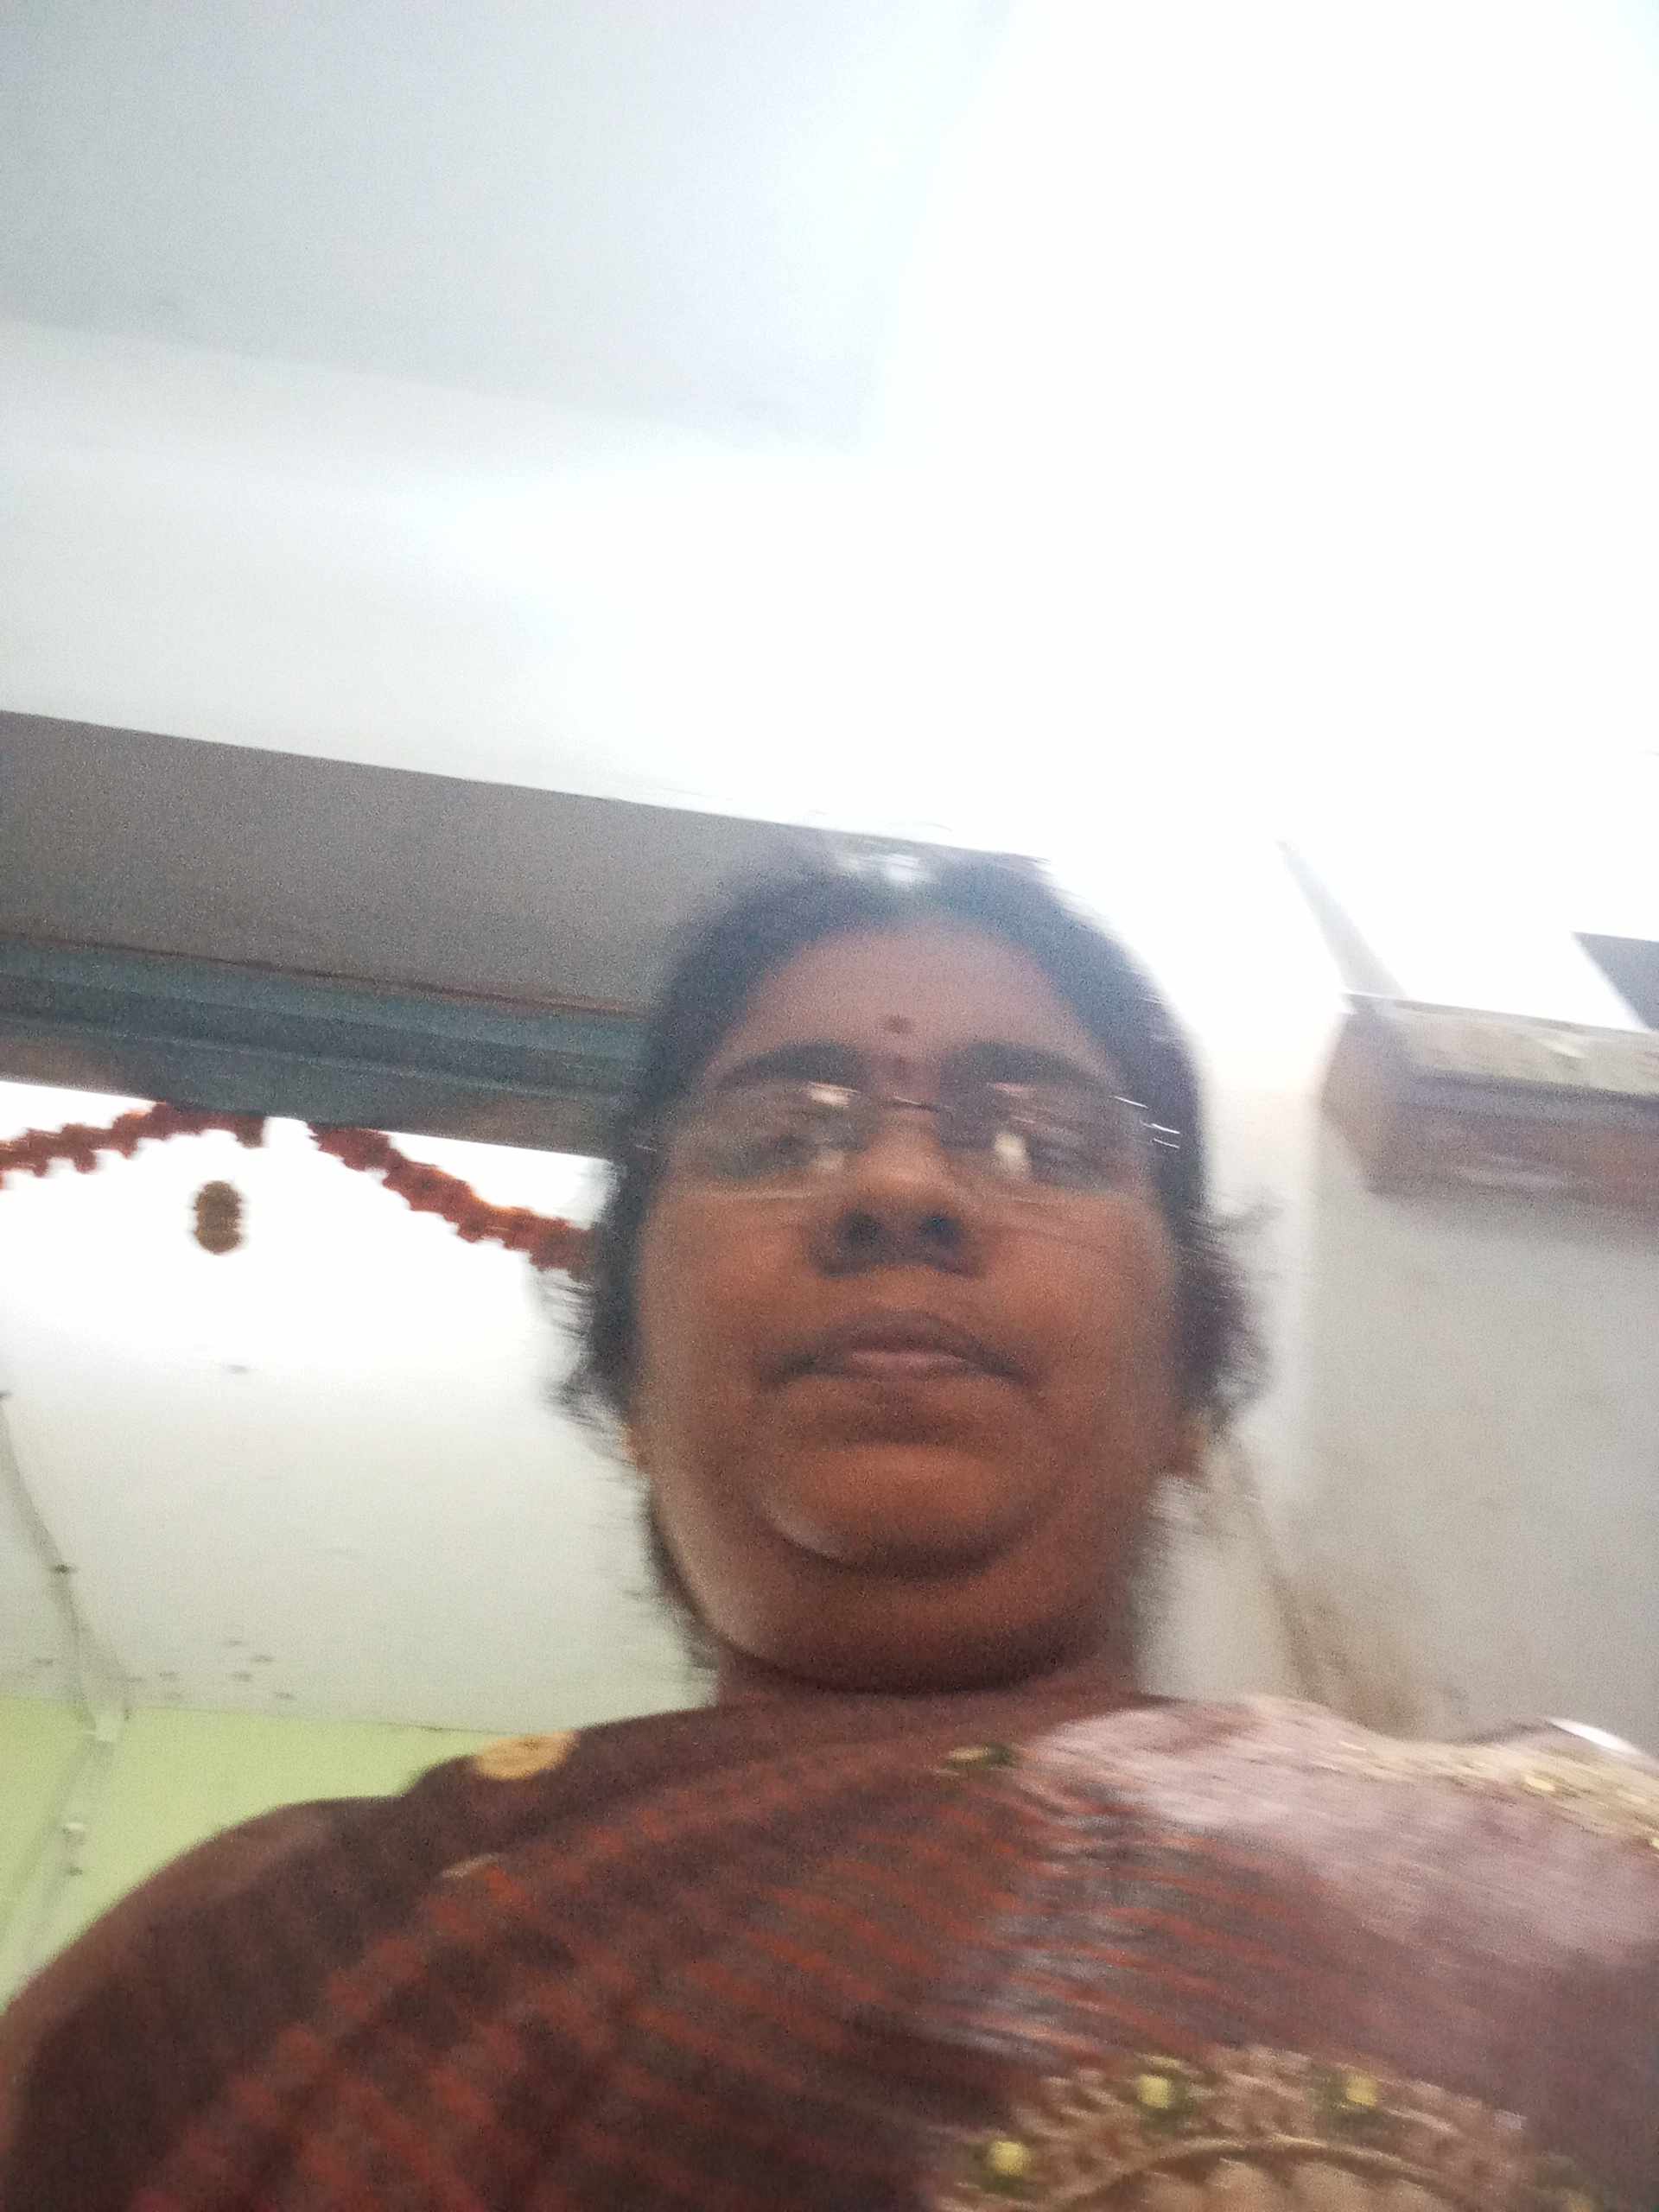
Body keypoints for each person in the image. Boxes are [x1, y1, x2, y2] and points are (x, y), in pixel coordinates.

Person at [1, 855, 1654, 2210]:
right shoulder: (263, 1947)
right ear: (633, 1389)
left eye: (1041, 1143)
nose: (901, 1189)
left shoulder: (1560, 1863)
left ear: (1186, 1399)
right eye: (781, 1138)